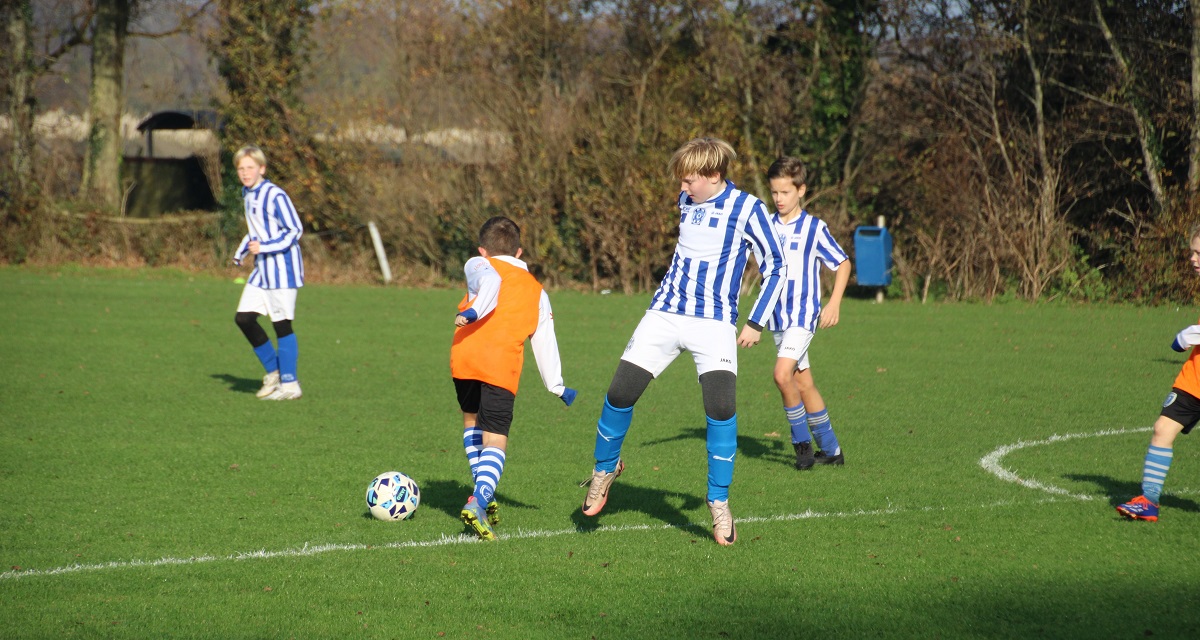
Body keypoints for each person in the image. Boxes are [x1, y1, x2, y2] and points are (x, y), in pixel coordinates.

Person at [580, 137, 787, 546]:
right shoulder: (687, 200)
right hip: (665, 313)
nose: (683, 187)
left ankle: (718, 501)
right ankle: (605, 470)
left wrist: (756, 322)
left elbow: (777, 266)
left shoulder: (747, 208)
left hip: (714, 323)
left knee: (721, 408)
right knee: (619, 393)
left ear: (714, 175)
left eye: (690, 180)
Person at [451, 216, 577, 540]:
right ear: (519, 252)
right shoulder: (536, 291)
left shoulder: (478, 267)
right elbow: (544, 339)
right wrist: (557, 385)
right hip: (500, 366)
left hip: (464, 357)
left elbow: (483, 288)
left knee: (471, 421)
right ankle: (479, 501)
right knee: (495, 438)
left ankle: (482, 492)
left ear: (482, 250)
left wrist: (472, 311)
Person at [763, 157, 851, 470]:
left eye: (785, 192)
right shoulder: (766, 226)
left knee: (781, 375)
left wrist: (834, 303)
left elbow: (842, 263)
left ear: (801, 190)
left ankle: (802, 447)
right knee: (803, 383)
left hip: (802, 316)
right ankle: (831, 449)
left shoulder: (814, 228)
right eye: (774, 192)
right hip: (777, 318)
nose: (778, 198)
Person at [1117, 224, 1200, 522]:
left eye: (1198, 253)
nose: (1192, 258)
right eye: (1192, 252)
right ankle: (1148, 501)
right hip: (1194, 381)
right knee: (1162, 429)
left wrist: (1190, 335)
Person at [231, 145, 305, 401]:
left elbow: (294, 230)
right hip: (262, 270)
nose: (245, 172)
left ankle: (290, 385)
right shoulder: (247, 193)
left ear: (262, 169)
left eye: (250, 167)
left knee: (281, 325)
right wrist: (241, 252)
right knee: (244, 319)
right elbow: (256, 231)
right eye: (241, 168)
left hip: (282, 270)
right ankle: (275, 372)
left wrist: (265, 247)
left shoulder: (275, 195)